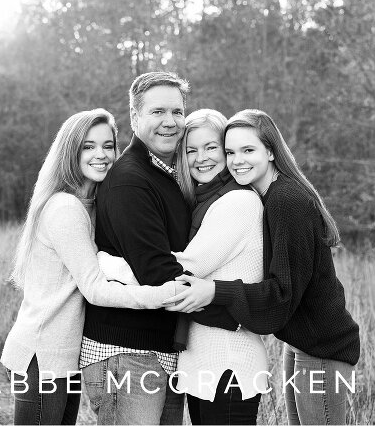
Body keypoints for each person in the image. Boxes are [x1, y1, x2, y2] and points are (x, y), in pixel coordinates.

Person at [165, 109, 361, 425]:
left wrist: (215, 291)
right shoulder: (266, 194)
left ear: (270, 151)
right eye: (230, 152)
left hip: (323, 347)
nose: (237, 160)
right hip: (299, 341)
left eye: (248, 150)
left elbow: (282, 292)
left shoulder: (286, 200)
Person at [0, 108, 179, 425]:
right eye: (88, 146)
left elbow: (99, 263)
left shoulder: (90, 205)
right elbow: (95, 289)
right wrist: (161, 296)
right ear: (71, 151)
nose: (101, 155)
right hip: (43, 354)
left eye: (108, 146)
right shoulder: (65, 208)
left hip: (62, 355)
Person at [99, 109, 268, 425]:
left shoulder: (237, 203)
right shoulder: (206, 202)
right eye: (191, 150)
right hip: (205, 362)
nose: (200, 158)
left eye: (211, 147)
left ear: (227, 151)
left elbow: (183, 269)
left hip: (228, 361)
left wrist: (107, 263)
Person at [80, 71, 197, 425]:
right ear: (134, 118)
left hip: (157, 349)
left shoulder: (168, 174)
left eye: (177, 112)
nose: (170, 122)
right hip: (126, 351)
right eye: (158, 112)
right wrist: (231, 300)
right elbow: (157, 271)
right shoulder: (131, 179)